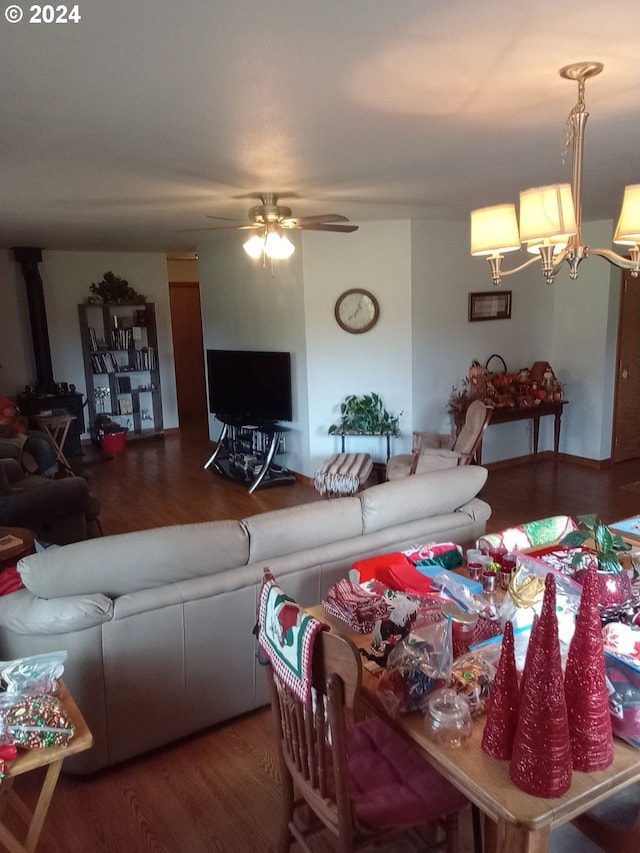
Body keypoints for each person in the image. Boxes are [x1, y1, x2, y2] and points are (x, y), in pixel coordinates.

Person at [0, 394, 58, 477]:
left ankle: (50, 473)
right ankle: (43, 480)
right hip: (6, 436)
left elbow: (16, 409)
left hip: (17, 430)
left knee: (46, 437)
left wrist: (13, 410)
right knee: (42, 445)